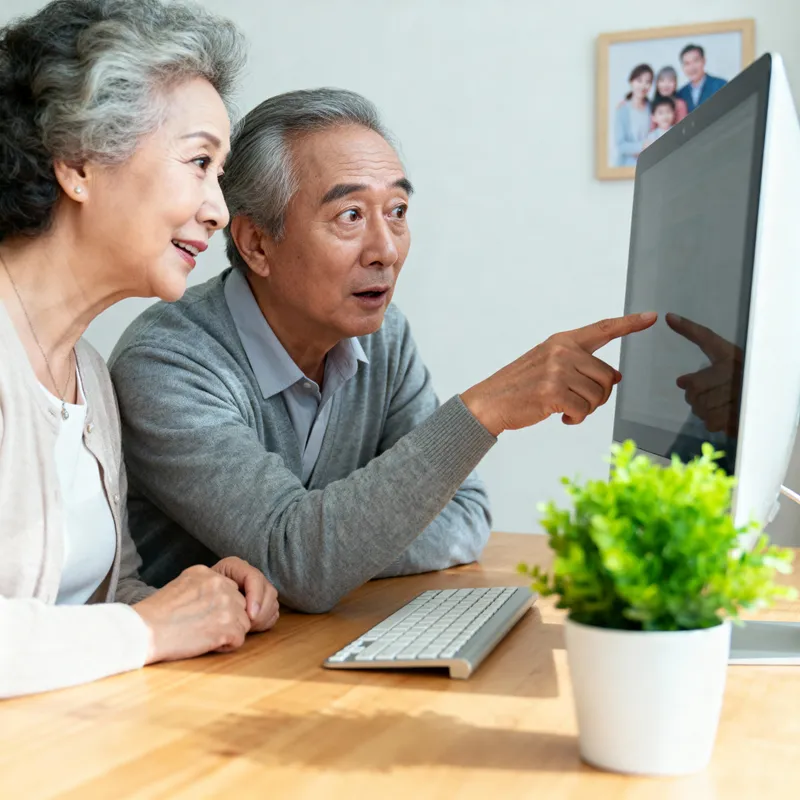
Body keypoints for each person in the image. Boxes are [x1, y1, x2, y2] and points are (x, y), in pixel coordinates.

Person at [109, 88, 657, 615]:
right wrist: (484, 412)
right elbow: (300, 562)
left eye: (396, 210)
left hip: (295, 649)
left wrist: (335, 546)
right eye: (350, 215)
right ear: (256, 243)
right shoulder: (167, 362)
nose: (387, 249)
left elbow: (465, 514)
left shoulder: (383, 337)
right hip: (185, 680)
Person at [0, 0, 279, 699]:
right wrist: (149, 630)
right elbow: (123, 630)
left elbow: (92, 598)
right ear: (80, 163)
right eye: (199, 163)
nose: (219, 208)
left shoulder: (89, 375)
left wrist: (195, 597)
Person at [615, 64, 654, 167]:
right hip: (626, 166)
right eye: (639, 80)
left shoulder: (652, 108)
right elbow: (621, 146)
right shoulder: (622, 109)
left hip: (647, 167)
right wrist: (642, 146)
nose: (643, 85)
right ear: (631, 82)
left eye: (648, 82)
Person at [677, 44, 727, 113]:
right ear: (683, 67)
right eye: (687, 63)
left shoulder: (720, 85)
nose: (692, 67)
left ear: (704, 61)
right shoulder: (681, 94)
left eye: (695, 61)